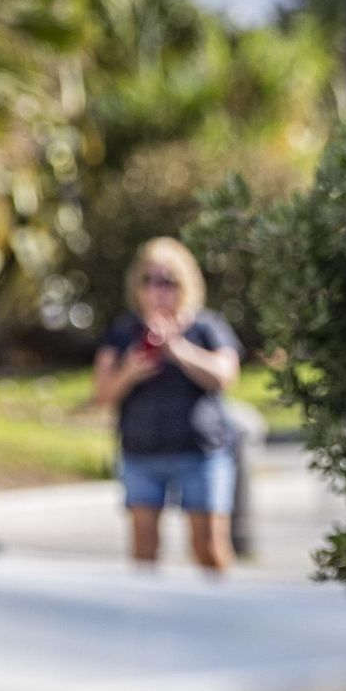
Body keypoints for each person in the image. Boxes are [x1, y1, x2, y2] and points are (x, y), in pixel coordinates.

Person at [94, 237, 243, 573]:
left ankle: (224, 606)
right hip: (141, 453)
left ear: (185, 283)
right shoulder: (125, 332)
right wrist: (129, 372)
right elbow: (101, 394)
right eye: (148, 280)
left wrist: (178, 350)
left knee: (208, 549)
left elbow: (226, 374)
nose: (157, 290)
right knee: (144, 551)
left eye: (167, 281)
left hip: (200, 453)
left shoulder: (206, 327)